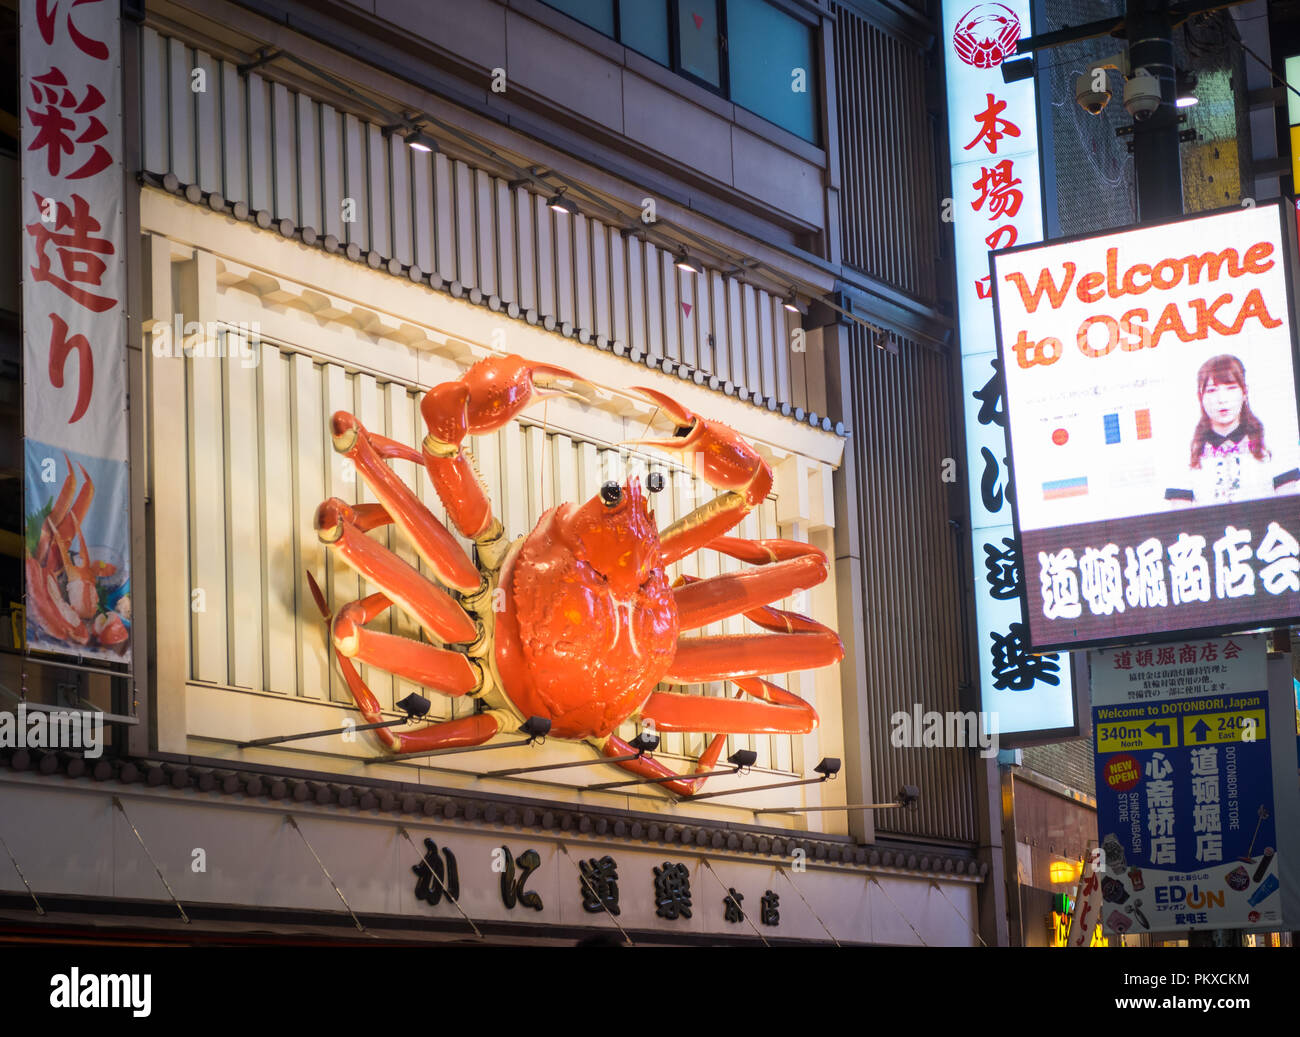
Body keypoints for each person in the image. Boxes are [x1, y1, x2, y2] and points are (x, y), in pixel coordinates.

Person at [1165, 354, 1300, 507]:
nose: (1222, 399)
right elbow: (1181, 522)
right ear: (1200, 396)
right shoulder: (1185, 453)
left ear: (1244, 392)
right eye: (1211, 390)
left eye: (1231, 388)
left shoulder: (1273, 442)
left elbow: (1290, 510)